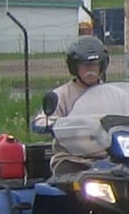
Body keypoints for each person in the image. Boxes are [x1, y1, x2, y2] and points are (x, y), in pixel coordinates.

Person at [33, 35, 109, 174]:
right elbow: (40, 122)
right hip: (73, 160)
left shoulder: (115, 94)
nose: (90, 69)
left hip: (111, 159)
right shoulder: (61, 94)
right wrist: (61, 125)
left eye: (94, 64)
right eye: (84, 65)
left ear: (102, 65)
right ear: (74, 67)